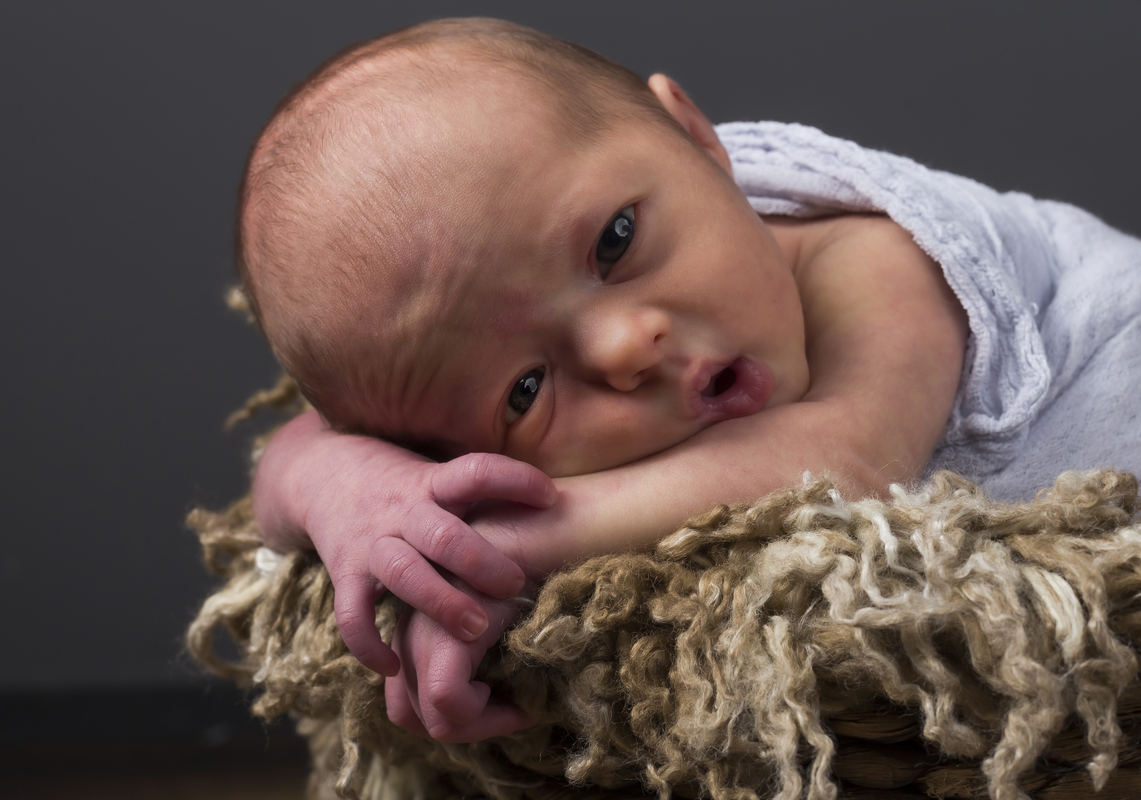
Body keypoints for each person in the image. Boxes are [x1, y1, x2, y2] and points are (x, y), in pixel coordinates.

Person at [233, 18, 1141, 742]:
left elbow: (849, 463)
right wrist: (357, 494)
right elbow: (300, 447)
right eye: (524, 391)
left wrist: (482, 553)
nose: (627, 346)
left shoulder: (873, 254)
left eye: (615, 242)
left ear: (697, 140)